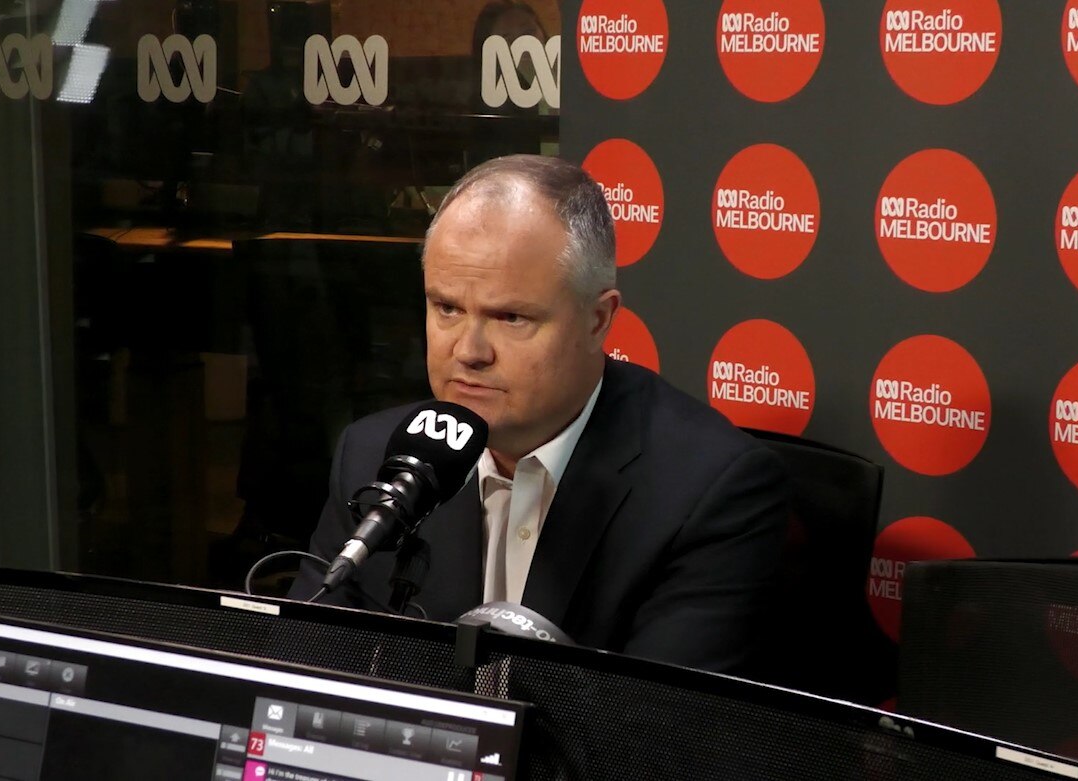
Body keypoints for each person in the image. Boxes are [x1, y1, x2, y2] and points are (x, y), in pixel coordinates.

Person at [289, 155, 788, 674]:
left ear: (598, 320)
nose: (469, 350)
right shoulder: (375, 456)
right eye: (447, 308)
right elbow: (306, 672)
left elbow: (656, 736)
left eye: (510, 317)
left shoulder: (711, 493)